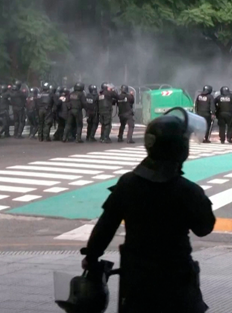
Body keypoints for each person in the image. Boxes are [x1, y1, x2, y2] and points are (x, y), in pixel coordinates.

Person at [82, 108, 215, 313]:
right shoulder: (186, 190)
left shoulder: (127, 184)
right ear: (180, 148)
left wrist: (91, 257)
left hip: (136, 283)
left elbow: (105, 226)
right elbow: (204, 227)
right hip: (177, 285)